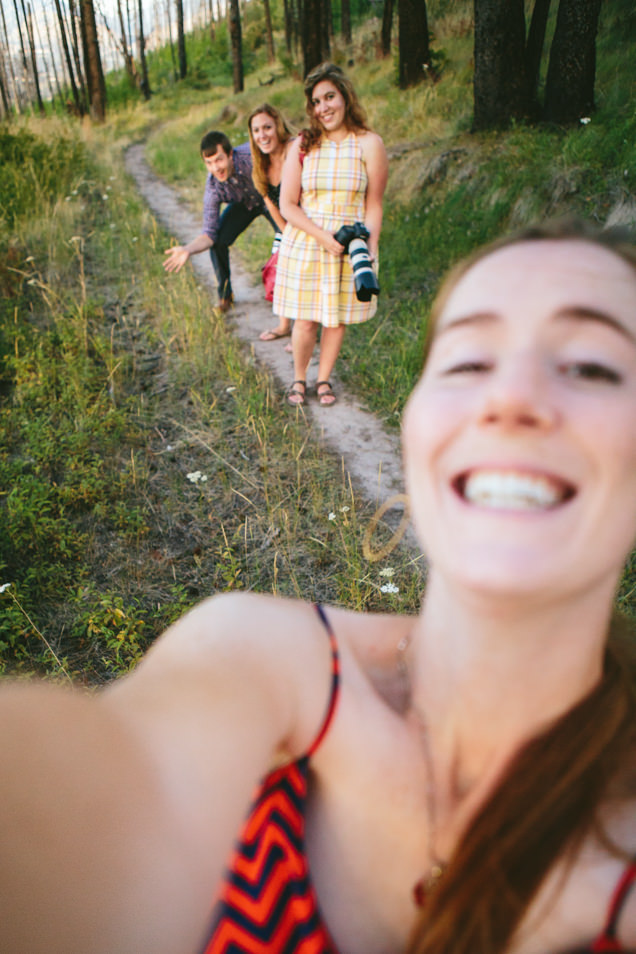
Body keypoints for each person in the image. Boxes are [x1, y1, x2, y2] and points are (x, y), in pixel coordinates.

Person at [2, 218, 636, 954]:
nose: (512, 398)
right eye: (467, 362)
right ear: (416, 426)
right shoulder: (262, 661)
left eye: (592, 366)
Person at [274, 63, 388, 406]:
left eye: (329, 97)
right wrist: (322, 236)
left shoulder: (369, 144)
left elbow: (375, 204)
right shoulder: (303, 145)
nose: (323, 107)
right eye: (316, 101)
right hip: (309, 241)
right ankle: (299, 378)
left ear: (345, 97)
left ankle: (323, 380)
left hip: (350, 243)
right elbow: (287, 204)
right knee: (306, 320)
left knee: (335, 320)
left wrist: (369, 248)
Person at [163, 130, 277, 312]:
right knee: (217, 241)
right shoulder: (213, 188)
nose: (215, 168)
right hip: (244, 204)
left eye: (219, 160)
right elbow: (208, 234)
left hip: (269, 196)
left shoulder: (250, 156)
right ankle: (225, 296)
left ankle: (288, 290)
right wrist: (187, 249)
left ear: (231, 154)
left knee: (290, 237)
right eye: (209, 163)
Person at [247, 103, 295, 343]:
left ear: (278, 126)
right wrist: (288, 236)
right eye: (256, 130)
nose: (262, 135)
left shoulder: (294, 151)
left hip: (311, 222)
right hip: (288, 227)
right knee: (279, 264)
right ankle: (285, 325)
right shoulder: (260, 165)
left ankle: (304, 332)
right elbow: (271, 206)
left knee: (304, 268)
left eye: (267, 127)